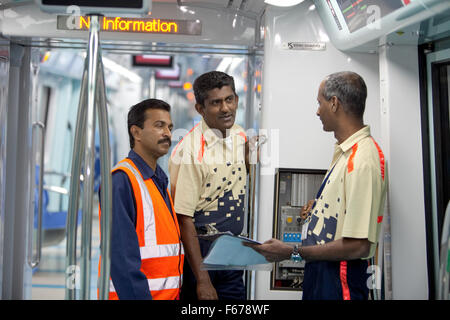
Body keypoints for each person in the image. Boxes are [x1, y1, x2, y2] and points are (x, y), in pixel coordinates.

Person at [245, 71, 387, 300]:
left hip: (340, 280)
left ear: (334, 103)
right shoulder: (345, 152)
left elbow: (358, 246)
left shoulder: (361, 159)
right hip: (322, 273)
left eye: (319, 103)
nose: (317, 111)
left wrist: (291, 251)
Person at [169, 71, 251, 300]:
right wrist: (203, 280)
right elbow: (184, 218)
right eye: (215, 103)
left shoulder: (240, 135)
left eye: (229, 99)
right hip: (201, 253)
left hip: (233, 250)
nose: (225, 108)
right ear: (200, 109)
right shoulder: (192, 151)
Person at [99, 99, 184, 300]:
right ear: (136, 132)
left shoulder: (158, 180)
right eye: (159, 126)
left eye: (170, 127)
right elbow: (121, 259)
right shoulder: (121, 180)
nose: (168, 134)